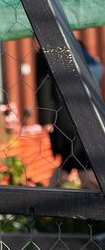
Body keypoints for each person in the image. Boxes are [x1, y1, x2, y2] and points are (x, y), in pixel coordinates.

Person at [36, 40, 103, 190]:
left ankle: (50, 200)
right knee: (80, 160)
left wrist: (46, 119)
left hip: (69, 114)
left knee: (75, 160)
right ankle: (89, 202)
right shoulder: (75, 44)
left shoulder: (48, 48)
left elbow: (43, 85)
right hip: (84, 114)